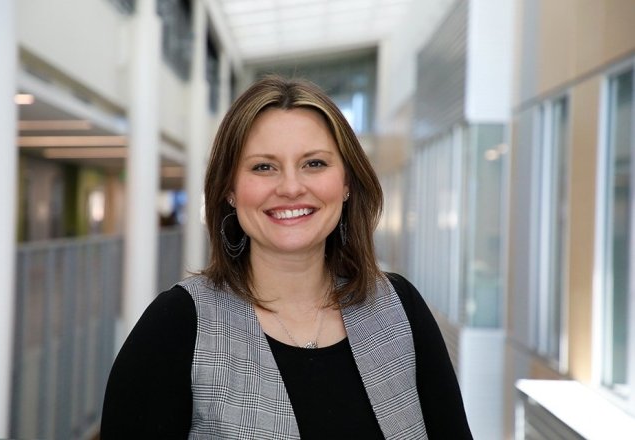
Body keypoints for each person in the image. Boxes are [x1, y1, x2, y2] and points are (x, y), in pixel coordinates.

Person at [100, 75, 473, 439]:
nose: (291, 187)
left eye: (314, 163)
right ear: (229, 189)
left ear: (346, 184)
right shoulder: (177, 325)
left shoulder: (399, 309)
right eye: (264, 167)